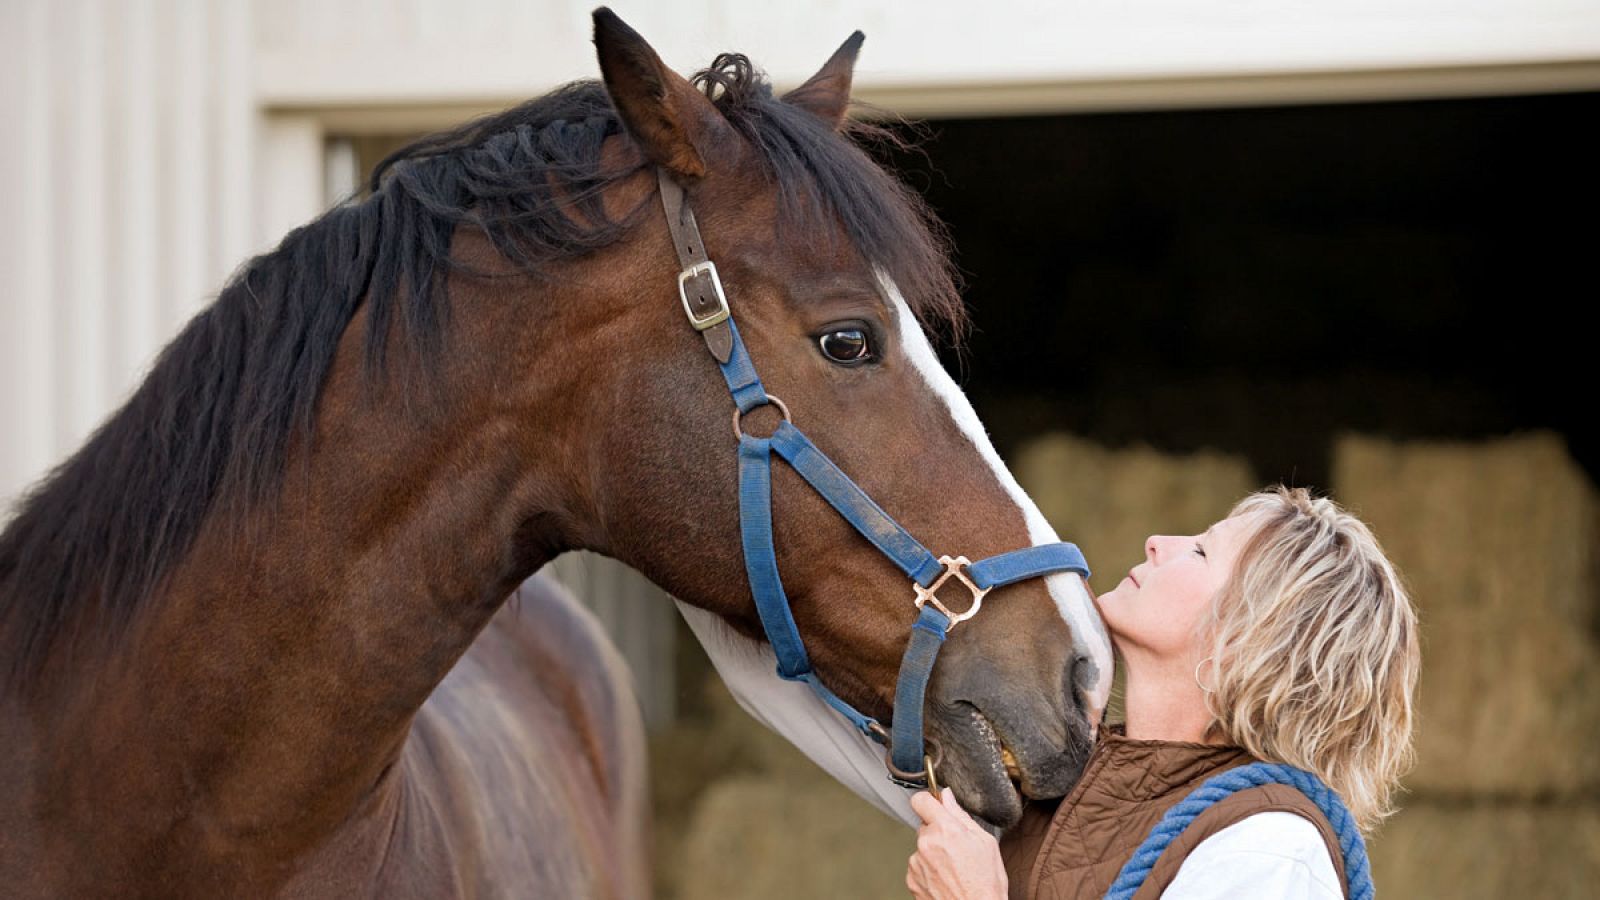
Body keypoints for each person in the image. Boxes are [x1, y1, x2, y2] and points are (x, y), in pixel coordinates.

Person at [905, 486, 1419, 899]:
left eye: (1200, 552)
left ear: (1249, 637)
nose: (1157, 541)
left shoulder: (1273, 849)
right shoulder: (1054, 776)